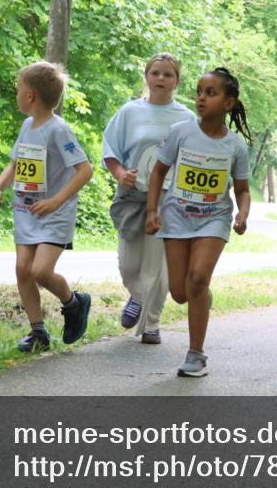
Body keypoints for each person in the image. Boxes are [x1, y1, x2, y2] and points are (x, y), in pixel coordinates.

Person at [144, 67, 251, 378]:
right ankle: (200, 296)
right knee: (180, 292)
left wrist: (242, 214)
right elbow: (158, 173)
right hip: (177, 216)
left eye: (211, 93)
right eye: (199, 92)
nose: (202, 98)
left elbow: (242, 190)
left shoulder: (235, 146)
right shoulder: (181, 132)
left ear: (228, 103)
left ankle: (196, 355)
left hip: (214, 220)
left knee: (198, 279)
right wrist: (153, 211)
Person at [0, 61, 93, 353]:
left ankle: (74, 302)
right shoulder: (27, 126)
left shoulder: (59, 130)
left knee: (41, 271)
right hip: (26, 211)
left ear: (30, 95)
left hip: (54, 213)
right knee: (23, 268)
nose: (16, 94)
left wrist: (56, 200)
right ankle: (38, 332)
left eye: (18, 89)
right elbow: (16, 163)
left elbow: (85, 170)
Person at [102, 53, 196, 345]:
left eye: (168, 74)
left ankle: (152, 324)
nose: (160, 79)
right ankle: (138, 296)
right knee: (128, 264)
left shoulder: (187, 118)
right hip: (133, 196)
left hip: (169, 198)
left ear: (177, 81)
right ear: (147, 76)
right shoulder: (130, 112)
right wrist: (119, 174)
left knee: (157, 266)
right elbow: (111, 150)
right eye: (155, 73)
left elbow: (195, 158)